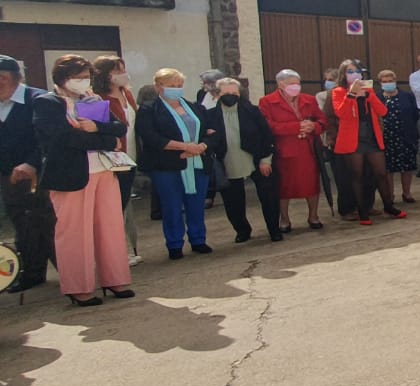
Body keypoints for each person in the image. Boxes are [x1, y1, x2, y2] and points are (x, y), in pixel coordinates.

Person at [32, 55, 134, 305]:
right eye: (76, 78)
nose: (82, 82)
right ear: (61, 78)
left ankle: (115, 279)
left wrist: (98, 129)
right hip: (70, 175)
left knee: (110, 228)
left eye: (85, 77)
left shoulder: (91, 100)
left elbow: (119, 128)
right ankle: (79, 288)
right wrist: (107, 140)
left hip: (103, 171)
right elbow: (64, 138)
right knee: (75, 232)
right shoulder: (47, 103)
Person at [137, 68, 219, 259]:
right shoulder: (149, 110)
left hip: (197, 162)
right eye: (171, 86)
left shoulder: (196, 107)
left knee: (196, 204)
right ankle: (174, 244)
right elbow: (150, 137)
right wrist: (183, 147)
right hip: (166, 166)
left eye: (179, 86)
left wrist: (201, 147)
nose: (176, 89)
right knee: (172, 206)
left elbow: (211, 132)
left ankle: (198, 239)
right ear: (158, 87)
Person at [0, 55, 54, 293]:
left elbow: (49, 138)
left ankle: (73, 274)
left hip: (39, 175)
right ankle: (32, 273)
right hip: (8, 177)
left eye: (2, 79)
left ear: (17, 78)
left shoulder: (38, 99)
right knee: (22, 225)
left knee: (47, 222)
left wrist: (32, 163)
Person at [332, 61, 404, 226]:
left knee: (381, 173)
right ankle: (362, 211)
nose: (355, 74)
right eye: (350, 71)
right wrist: (351, 95)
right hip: (353, 140)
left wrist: (369, 95)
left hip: (371, 137)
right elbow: (341, 113)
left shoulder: (369, 90)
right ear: (344, 74)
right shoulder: (338, 91)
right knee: (356, 176)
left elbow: (383, 111)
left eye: (357, 71)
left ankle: (388, 206)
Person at [211, 77, 281, 244]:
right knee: (233, 201)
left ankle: (274, 229)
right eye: (226, 93)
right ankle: (242, 230)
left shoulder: (252, 111)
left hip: (257, 160)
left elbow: (266, 135)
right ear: (217, 94)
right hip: (228, 162)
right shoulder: (210, 116)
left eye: (234, 93)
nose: (230, 96)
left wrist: (266, 160)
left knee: (269, 196)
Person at [88, 56, 140, 266]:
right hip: (111, 161)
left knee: (124, 207)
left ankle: (121, 250)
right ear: (105, 75)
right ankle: (113, 254)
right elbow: (96, 131)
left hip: (131, 159)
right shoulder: (96, 99)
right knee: (113, 210)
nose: (123, 74)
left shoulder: (127, 94)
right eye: (118, 71)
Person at [259, 69, 326, 229]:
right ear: (280, 84)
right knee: (284, 186)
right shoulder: (267, 101)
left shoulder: (309, 100)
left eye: (298, 83)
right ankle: (284, 219)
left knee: (312, 184)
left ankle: (313, 216)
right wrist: (297, 127)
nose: (296, 87)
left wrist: (313, 126)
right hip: (284, 150)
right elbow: (268, 126)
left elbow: (322, 121)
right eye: (291, 84)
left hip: (308, 149)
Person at [372, 70, 418, 203]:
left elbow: (415, 114)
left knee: (407, 166)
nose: (388, 83)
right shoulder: (376, 97)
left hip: (405, 136)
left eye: (390, 81)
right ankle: (389, 194)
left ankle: (407, 193)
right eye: (384, 81)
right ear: (380, 83)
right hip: (386, 137)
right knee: (388, 168)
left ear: (395, 81)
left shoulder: (407, 96)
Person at [317, 66, 355, 220]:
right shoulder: (324, 96)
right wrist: (332, 138)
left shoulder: (352, 92)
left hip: (355, 138)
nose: (328, 83)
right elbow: (328, 117)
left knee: (360, 174)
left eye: (331, 80)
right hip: (335, 139)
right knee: (342, 175)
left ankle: (363, 205)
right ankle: (346, 209)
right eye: (326, 80)